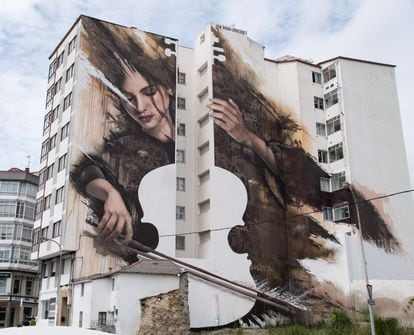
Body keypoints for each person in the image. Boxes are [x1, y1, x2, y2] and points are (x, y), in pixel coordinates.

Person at [70, 17, 176, 248]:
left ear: (168, 88)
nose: (140, 107)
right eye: (130, 99)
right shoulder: (121, 147)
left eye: (149, 92)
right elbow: (85, 169)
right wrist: (109, 192)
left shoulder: (194, 142)